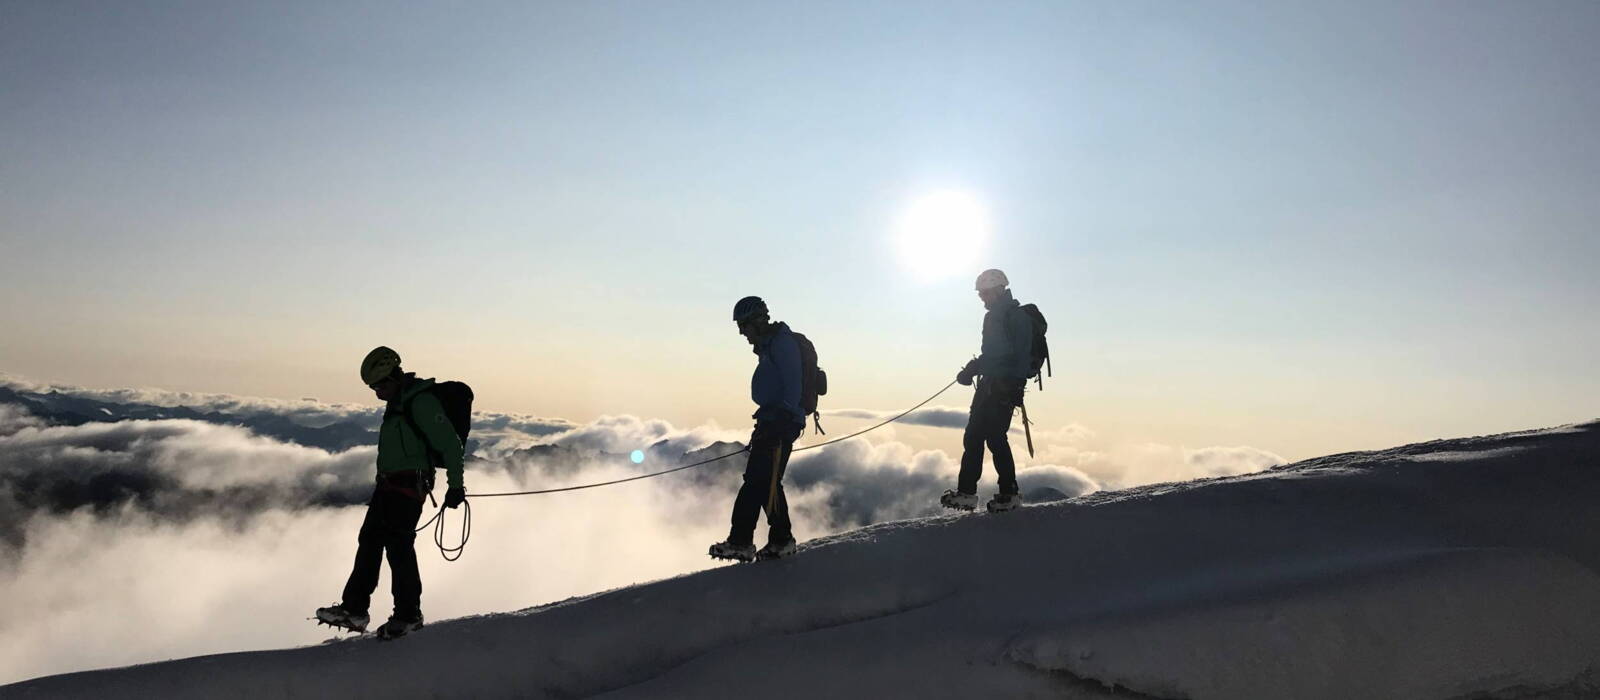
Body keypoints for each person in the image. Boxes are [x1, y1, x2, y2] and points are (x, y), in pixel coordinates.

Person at [315, 346, 466, 639]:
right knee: (370, 541)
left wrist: (456, 486)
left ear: (395, 377)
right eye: (373, 387)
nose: (376, 392)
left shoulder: (420, 403)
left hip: (408, 487)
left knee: (399, 548)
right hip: (389, 485)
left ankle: (408, 614)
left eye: (380, 385)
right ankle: (355, 609)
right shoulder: (399, 402)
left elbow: (450, 445)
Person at [709, 296, 806, 562]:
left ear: (758, 321)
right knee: (762, 482)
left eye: (744, 325)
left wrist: (781, 420)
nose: (742, 332)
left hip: (779, 425)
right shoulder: (771, 345)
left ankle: (751, 541)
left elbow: (793, 386)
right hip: (773, 422)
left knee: (760, 483)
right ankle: (773, 540)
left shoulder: (782, 344)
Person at [942, 269, 1032, 513]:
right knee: (973, 436)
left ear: (998, 289)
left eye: (984, 293)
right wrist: (972, 369)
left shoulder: (1016, 316)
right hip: (988, 384)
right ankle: (967, 493)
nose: (982, 297)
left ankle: (1009, 494)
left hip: (1003, 387)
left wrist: (1016, 386)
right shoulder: (992, 317)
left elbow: (1023, 355)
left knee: (994, 437)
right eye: (980, 294)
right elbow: (992, 354)